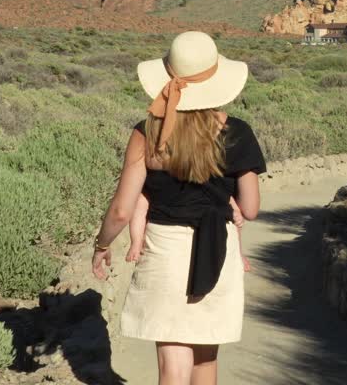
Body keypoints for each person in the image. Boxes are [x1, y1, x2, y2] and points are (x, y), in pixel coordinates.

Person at [92, 31, 266, 385]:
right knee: (205, 361)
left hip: (164, 251)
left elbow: (121, 211)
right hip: (219, 248)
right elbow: (250, 208)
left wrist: (102, 245)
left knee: (173, 365)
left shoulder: (147, 133)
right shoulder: (239, 133)